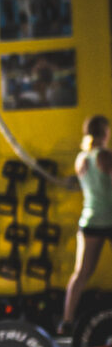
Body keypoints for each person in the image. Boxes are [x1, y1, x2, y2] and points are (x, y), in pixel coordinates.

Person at [61, 114, 112, 331]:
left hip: (89, 220)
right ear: (105, 132)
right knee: (82, 272)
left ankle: (67, 321)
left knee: (81, 273)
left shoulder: (81, 158)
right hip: (109, 219)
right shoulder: (105, 156)